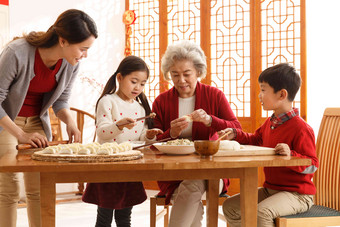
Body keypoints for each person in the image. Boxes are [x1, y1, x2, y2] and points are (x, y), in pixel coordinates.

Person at [0, 9, 97, 227]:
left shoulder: (71, 63)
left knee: (39, 187)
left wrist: (70, 121)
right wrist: (21, 135)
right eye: (83, 49)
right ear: (63, 40)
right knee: (9, 186)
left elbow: (61, 101)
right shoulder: (17, 52)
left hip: (36, 121)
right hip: (7, 122)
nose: (84, 55)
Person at [152, 40, 242, 227]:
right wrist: (172, 133)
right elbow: (155, 142)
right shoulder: (161, 101)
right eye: (174, 74)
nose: (181, 80)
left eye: (187, 74)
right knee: (190, 194)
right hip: (174, 175)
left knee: (191, 187)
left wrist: (210, 120)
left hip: (211, 172)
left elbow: (236, 129)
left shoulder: (214, 95)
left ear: (198, 72)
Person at [220, 63, 319, 227]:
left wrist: (291, 155)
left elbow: (313, 165)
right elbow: (256, 139)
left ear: (281, 94)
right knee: (230, 206)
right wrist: (236, 134)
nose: (259, 95)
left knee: (262, 212)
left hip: (297, 195)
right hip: (271, 190)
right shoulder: (271, 122)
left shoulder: (301, 128)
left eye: (263, 90)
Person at [82, 55, 163, 227]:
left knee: (125, 217)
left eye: (142, 83)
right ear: (119, 77)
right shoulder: (108, 101)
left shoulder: (141, 107)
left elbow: (140, 139)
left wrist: (149, 136)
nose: (138, 87)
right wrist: (118, 125)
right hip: (108, 167)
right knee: (104, 219)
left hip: (130, 167)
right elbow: (102, 132)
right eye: (134, 81)